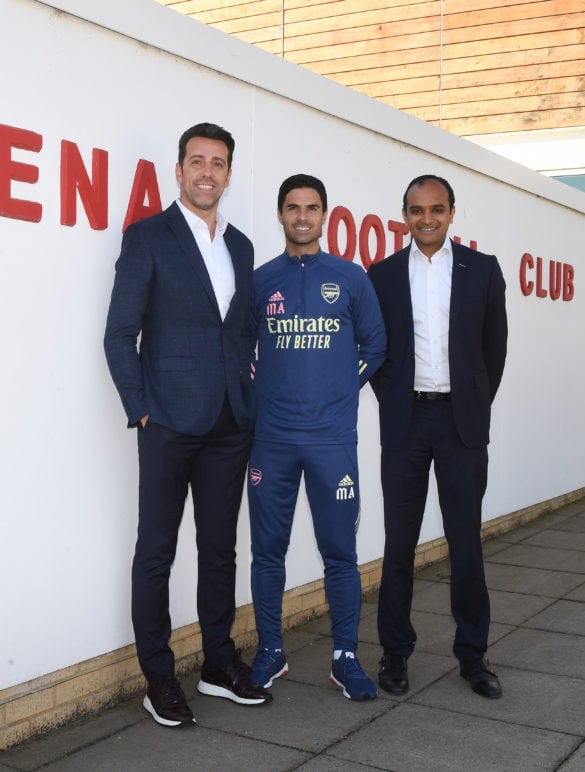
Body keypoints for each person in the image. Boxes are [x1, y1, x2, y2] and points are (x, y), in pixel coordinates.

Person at [103, 122, 270, 728]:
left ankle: (218, 665)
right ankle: (158, 677)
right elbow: (120, 333)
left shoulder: (242, 246)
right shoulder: (148, 237)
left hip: (230, 421)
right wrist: (141, 407)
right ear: (179, 171)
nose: (207, 172)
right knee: (156, 551)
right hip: (168, 420)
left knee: (220, 549)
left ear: (229, 173)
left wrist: (245, 392)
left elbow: (242, 329)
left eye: (218, 162)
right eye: (196, 161)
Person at [367, 174, 508, 699]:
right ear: (404, 215)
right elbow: (375, 351)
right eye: (417, 210)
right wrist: (396, 397)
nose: (427, 218)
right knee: (399, 546)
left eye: (437, 209)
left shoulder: (482, 271)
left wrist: (470, 403)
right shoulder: (380, 276)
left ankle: (473, 656)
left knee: (466, 544)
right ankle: (395, 654)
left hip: (461, 427)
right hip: (406, 425)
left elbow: (494, 351)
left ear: (452, 213)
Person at [247, 174, 386, 700]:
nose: (302, 216)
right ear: (280, 215)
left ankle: (345, 658)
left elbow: (376, 346)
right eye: (292, 207)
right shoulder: (261, 281)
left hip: (332, 442)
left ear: (325, 216)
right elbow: (242, 354)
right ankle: (270, 652)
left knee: (340, 553)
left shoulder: (350, 278)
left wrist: (337, 390)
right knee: (267, 552)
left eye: (311, 208)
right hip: (273, 441)